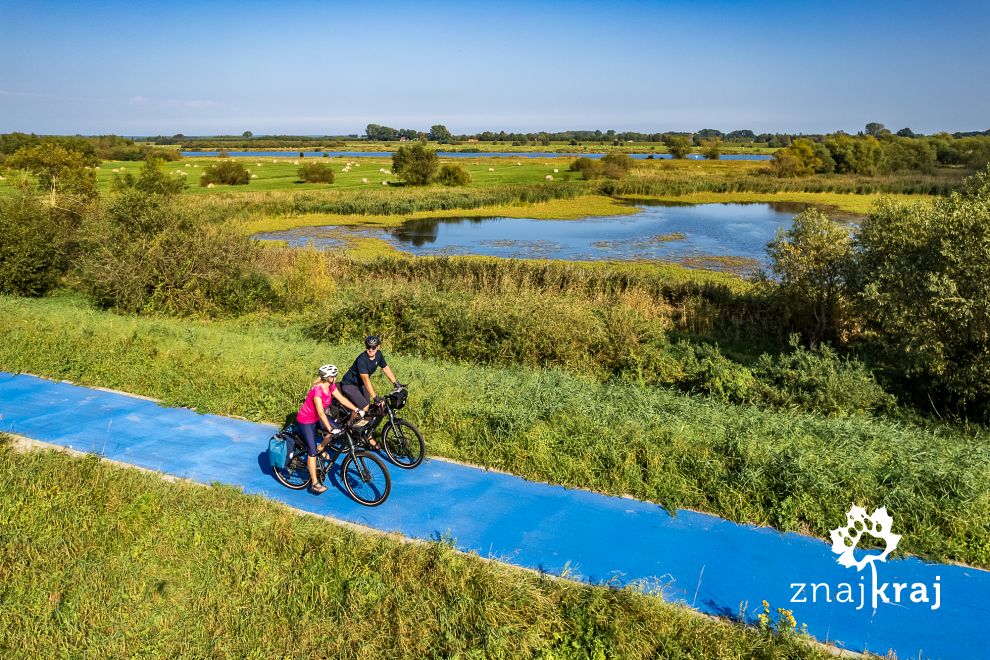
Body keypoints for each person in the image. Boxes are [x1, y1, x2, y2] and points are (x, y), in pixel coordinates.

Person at [297, 364, 362, 494]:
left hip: (317, 418)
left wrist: (356, 409)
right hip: (306, 420)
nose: (335, 377)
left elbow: (342, 399)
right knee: (312, 452)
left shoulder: (331, 386)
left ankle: (320, 448)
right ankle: (314, 483)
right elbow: (321, 413)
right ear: (329, 378)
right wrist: (329, 429)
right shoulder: (317, 391)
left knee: (338, 430)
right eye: (334, 376)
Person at [339, 335, 403, 412]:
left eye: (373, 347)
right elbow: (366, 379)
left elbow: (386, 369)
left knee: (368, 407)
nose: (370, 350)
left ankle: (363, 420)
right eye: (368, 347)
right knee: (365, 407)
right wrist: (375, 397)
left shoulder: (379, 355)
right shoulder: (361, 360)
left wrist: (395, 383)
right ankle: (350, 423)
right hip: (349, 384)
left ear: (378, 347)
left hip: (361, 384)